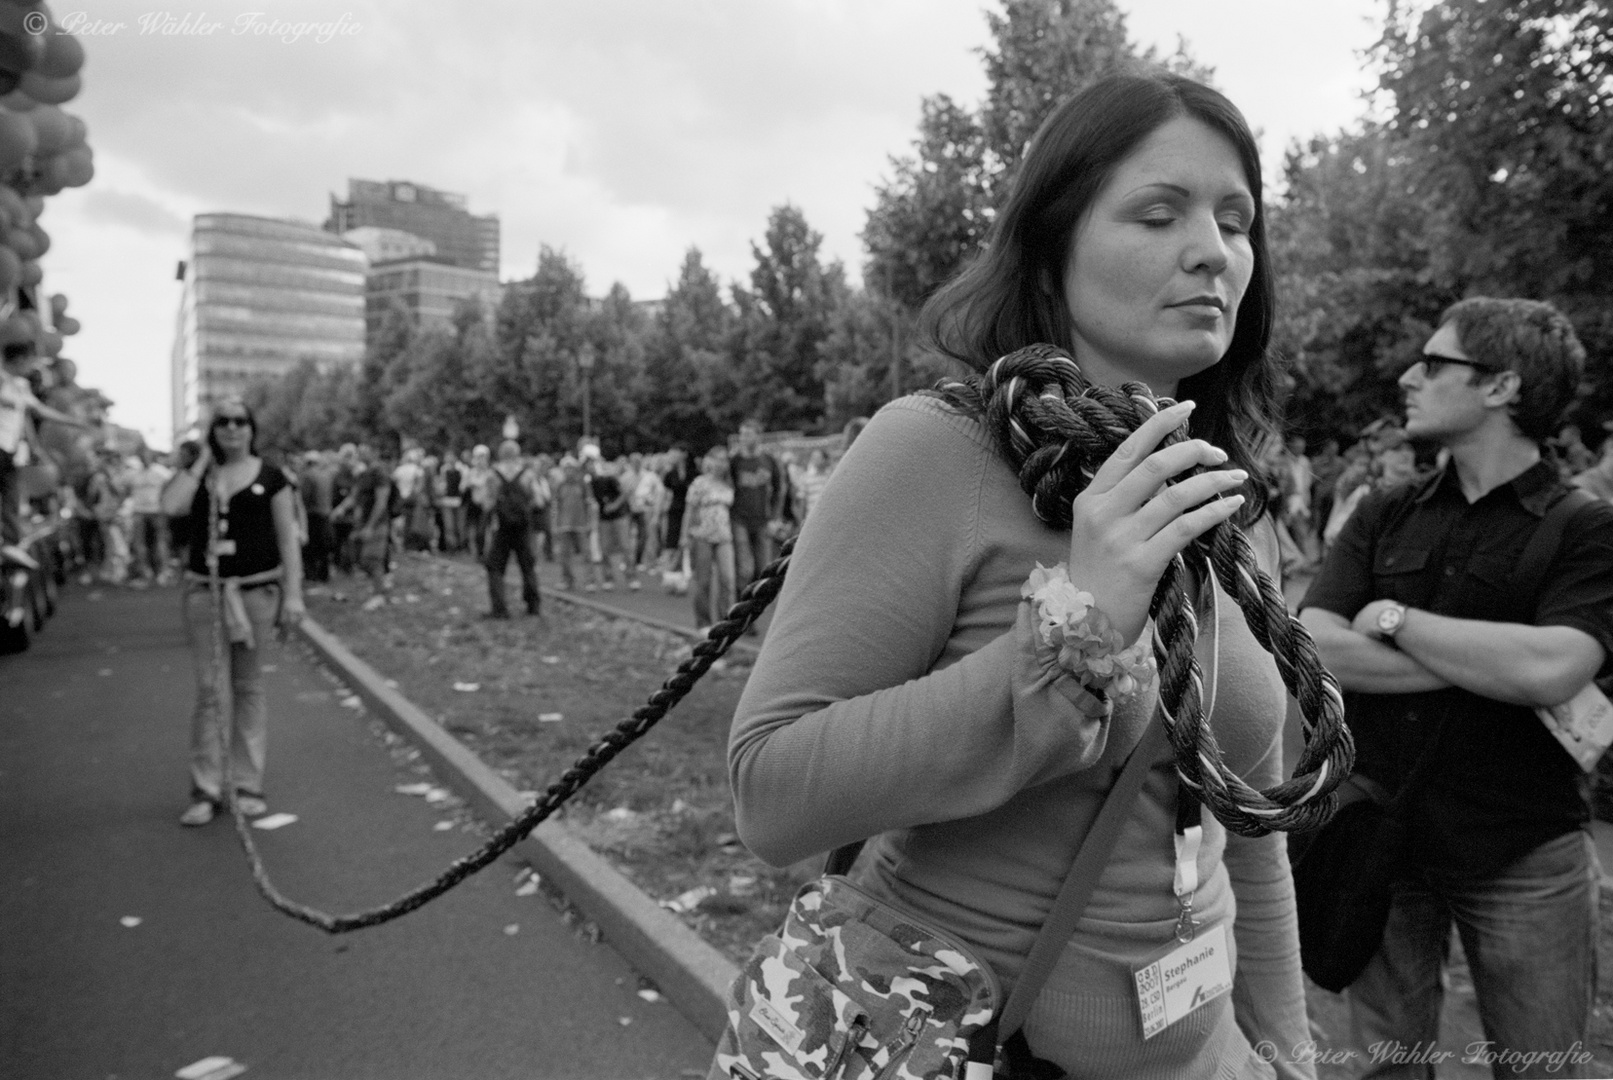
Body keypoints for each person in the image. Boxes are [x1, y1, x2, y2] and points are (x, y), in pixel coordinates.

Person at [724, 72, 1309, 1078]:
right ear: (1052, 243)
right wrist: (1074, 624)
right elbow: (771, 796)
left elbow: (1243, 830)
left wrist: (1288, 1055)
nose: (1211, 250)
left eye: (1234, 220)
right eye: (1156, 213)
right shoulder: (933, 453)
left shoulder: (1218, 493)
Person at [1299, 298, 1613, 1079]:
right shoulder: (1383, 510)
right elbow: (1312, 646)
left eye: (1433, 364)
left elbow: (1553, 668)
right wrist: (1486, 666)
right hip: (1379, 839)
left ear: (1502, 385)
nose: (1408, 376)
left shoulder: (1583, 527)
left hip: (1521, 852)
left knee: (1540, 1068)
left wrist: (1394, 619)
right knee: (1386, 1069)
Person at [160, 399, 305, 827]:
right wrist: (202, 461)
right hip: (206, 594)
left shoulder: (273, 478)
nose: (231, 428)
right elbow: (171, 507)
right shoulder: (200, 477)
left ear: (251, 428)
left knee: (249, 686)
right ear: (212, 430)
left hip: (257, 594)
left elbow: (288, 540)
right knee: (208, 690)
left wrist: (294, 595)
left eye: (240, 421)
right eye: (221, 422)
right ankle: (205, 789)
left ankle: (246, 784)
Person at [483, 439, 545, 619]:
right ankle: (533, 605)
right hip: (523, 526)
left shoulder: (493, 475)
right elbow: (539, 501)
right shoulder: (527, 475)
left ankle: (499, 608)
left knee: (494, 566)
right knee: (527, 566)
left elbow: (487, 503)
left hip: (502, 527)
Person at [679, 445, 736, 633]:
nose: (721, 464)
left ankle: (724, 620)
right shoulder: (700, 483)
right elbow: (689, 510)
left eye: (724, 459)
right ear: (709, 461)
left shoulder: (728, 484)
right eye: (717, 459)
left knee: (727, 579)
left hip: (724, 535)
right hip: (701, 534)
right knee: (703, 580)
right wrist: (684, 536)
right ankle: (703, 621)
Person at [727, 419, 784, 588]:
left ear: (758, 436)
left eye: (748, 434)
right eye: (742, 434)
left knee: (762, 568)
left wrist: (775, 516)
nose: (744, 438)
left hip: (763, 519)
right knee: (745, 568)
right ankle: (739, 603)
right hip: (740, 519)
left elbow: (779, 488)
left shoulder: (769, 460)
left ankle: (755, 602)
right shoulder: (735, 461)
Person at [463, 444, 494, 560]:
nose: (481, 460)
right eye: (479, 457)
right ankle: (479, 553)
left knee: (483, 530)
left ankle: (485, 552)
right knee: (476, 531)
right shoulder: (470, 472)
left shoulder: (490, 473)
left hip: (486, 505)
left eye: (483, 457)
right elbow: (463, 487)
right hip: (474, 504)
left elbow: (492, 490)